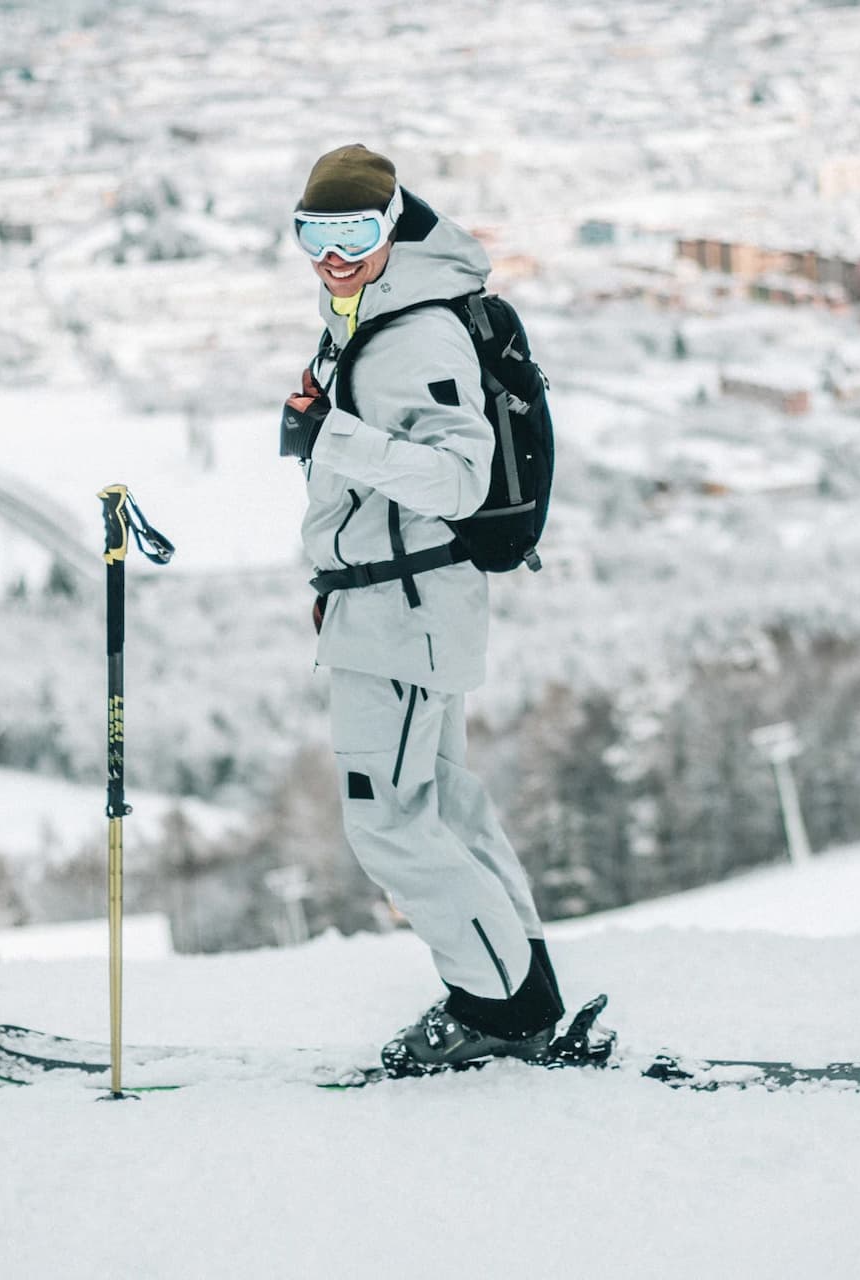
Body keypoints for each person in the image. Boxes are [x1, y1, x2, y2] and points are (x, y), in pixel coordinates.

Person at [277, 144, 565, 1075]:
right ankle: (525, 993)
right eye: (313, 234)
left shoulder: (414, 332)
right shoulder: (368, 314)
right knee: (446, 807)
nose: (332, 254)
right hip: (393, 602)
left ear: (394, 222)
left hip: (406, 609)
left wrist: (339, 436)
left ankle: (497, 1009)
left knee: (390, 822)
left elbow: (457, 475)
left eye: (354, 231)